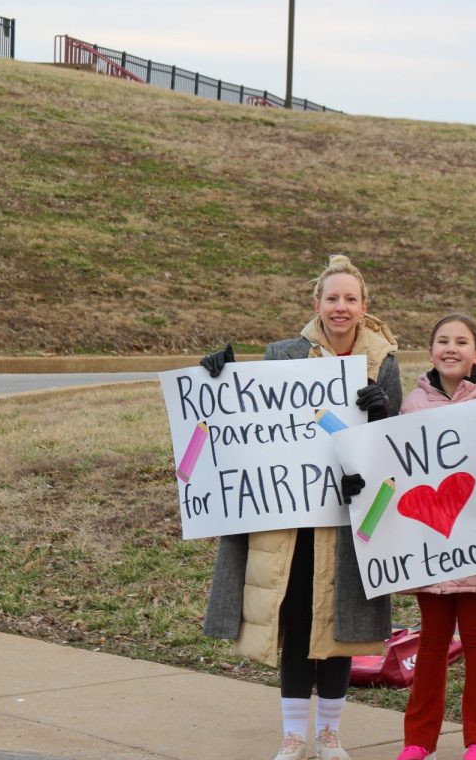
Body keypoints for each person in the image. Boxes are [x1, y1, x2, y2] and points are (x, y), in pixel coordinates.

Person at [199, 254, 402, 760]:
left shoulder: (385, 364)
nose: (341, 307)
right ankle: (293, 737)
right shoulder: (282, 354)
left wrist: (383, 415)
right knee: (294, 618)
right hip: (292, 516)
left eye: (350, 299)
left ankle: (330, 735)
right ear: (316, 305)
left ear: (364, 307)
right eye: (332, 298)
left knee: (338, 624)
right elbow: (251, 419)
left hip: (350, 516)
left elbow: (397, 448)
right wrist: (219, 377)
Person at [392, 313, 476, 760]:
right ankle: (418, 741)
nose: (451, 348)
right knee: (431, 642)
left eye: (461, 341)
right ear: (429, 352)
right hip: (430, 541)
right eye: (442, 340)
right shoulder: (411, 406)